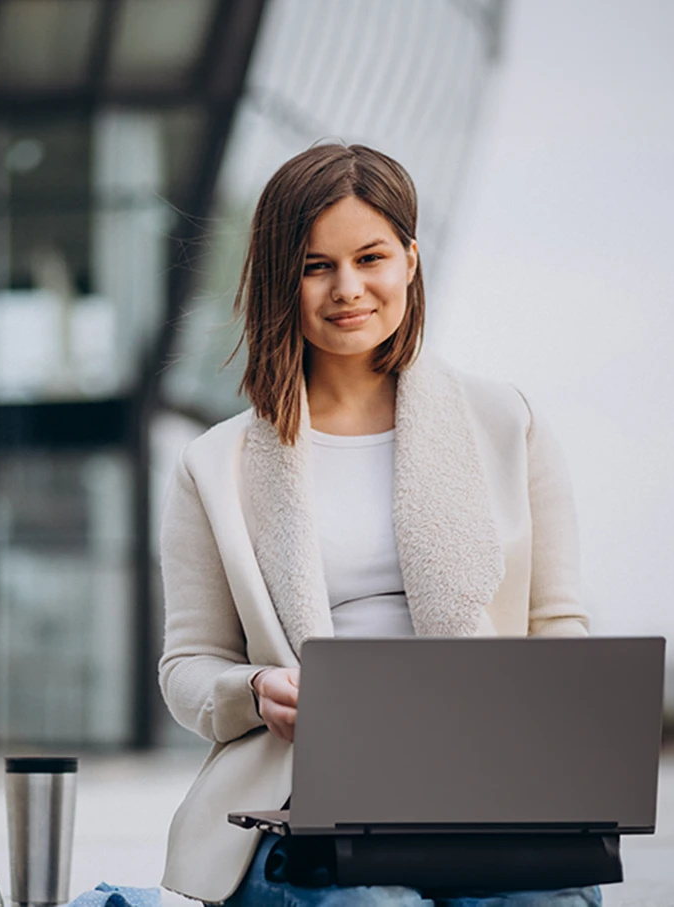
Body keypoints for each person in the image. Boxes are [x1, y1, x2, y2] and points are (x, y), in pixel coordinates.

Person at [155, 143, 602, 907]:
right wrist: (256, 688)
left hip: (488, 791)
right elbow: (187, 666)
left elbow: (558, 627)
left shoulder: (508, 423)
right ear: (279, 278)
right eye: (315, 265)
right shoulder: (215, 463)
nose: (348, 288)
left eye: (371, 257)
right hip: (304, 806)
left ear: (410, 260)